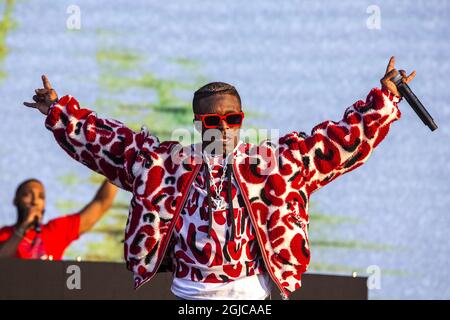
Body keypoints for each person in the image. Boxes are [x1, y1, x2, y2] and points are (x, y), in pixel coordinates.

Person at [23, 56, 415, 300]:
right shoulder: (166, 165)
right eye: (213, 120)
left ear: (242, 120)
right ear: (198, 123)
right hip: (190, 294)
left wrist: (383, 98)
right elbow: (109, 143)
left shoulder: (275, 163)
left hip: (252, 297)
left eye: (232, 119)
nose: (224, 127)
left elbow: (336, 144)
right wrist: (59, 111)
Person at [0, 179, 117, 260]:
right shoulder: (4, 234)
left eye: (41, 197)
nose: (35, 201)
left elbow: (102, 203)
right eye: (27, 195)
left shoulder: (55, 230)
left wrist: (114, 167)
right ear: (15, 201)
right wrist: (23, 227)